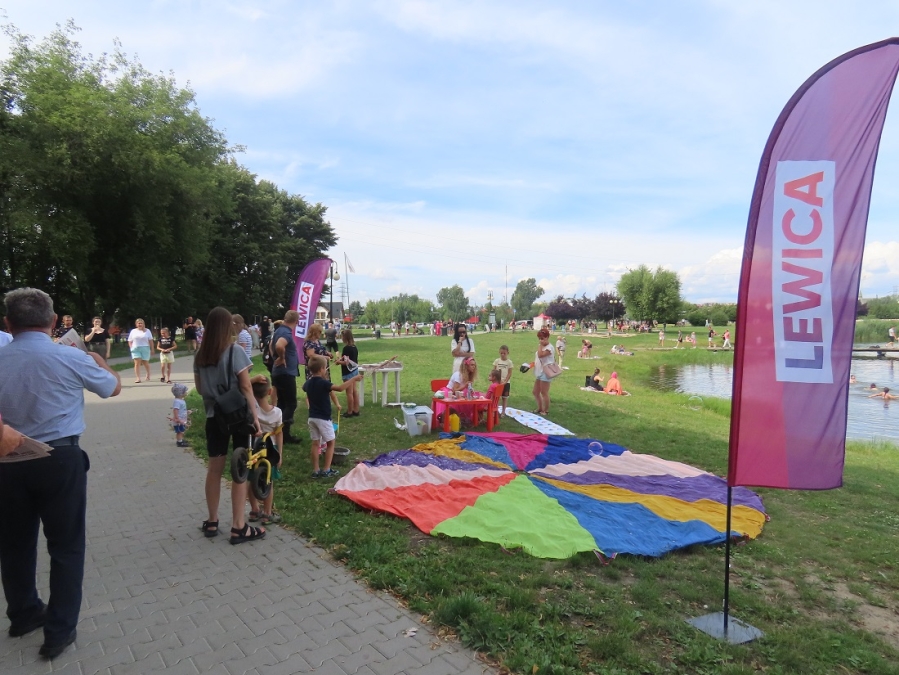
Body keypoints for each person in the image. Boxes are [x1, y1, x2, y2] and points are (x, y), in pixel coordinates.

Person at [0, 287, 121, 660]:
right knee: (66, 546)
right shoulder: (69, 356)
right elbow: (112, 388)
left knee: (14, 544)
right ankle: (59, 631)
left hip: (7, 462)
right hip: (59, 459)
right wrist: (99, 362)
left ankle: (23, 614)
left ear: (8, 323)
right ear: (53, 321)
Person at [193, 306, 265, 545]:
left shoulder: (200, 356)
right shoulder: (235, 351)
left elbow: (201, 389)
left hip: (214, 416)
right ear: (227, 326)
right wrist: (255, 416)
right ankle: (238, 526)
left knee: (215, 469)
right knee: (239, 469)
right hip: (238, 417)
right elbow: (245, 386)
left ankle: (212, 520)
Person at [303, 355, 362, 478]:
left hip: (312, 418)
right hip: (323, 419)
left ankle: (316, 471)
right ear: (321, 369)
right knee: (331, 443)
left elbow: (305, 388)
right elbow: (340, 388)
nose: (326, 370)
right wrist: (353, 379)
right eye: (325, 368)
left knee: (315, 443)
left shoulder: (307, 383)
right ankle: (326, 470)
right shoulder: (324, 383)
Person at [247, 375, 283, 525]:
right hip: (270, 449)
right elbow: (279, 433)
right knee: (268, 480)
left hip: (253, 447)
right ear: (269, 392)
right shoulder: (277, 412)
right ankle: (267, 513)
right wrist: (280, 454)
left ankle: (255, 510)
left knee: (251, 478)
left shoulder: (251, 410)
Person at [271, 310, 301, 444]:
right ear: (297, 321)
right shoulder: (286, 333)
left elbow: (271, 346)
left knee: (282, 403)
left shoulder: (279, 330)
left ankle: (280, 434)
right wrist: (282, 358)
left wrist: (276, 358)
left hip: (279, 372)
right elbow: (279, 345)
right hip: (285, 373)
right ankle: (282, 433)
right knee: (291, 403)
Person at [532, 328, 555, 416]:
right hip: (539, 371)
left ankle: (546, 410)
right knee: (535, 391)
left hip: (546, 372)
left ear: (547, 337)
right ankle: (540, 408)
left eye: (542, 338)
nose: (541, 340)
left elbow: (540, 355)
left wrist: (540, 345)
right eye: (539, 339)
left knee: (544, 392)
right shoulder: (542, 347)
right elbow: (538, 358)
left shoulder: (549, 348)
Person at [338, 329, 360, 417]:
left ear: (345, 337)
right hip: (355, 370)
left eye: (342, 336)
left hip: (348, 372)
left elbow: (346, 362)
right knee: (354, 391)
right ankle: (356, 410)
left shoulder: (346, 348)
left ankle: (350, 411)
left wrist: (338, 362)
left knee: (349, 392)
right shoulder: (354, 347)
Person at [127, 318, 155, 383]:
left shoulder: (147, 331)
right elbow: (130, 340)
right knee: (137, 363)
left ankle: (148, 373)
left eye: (141, 323)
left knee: (145, 362)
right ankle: (138, 378)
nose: (140, 324)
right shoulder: (133, 331)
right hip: (135, 348)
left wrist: (152, 349)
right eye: (138, 323)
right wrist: (131, 348)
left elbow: (150, 341)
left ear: (143, 324)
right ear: (136, 324)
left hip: (145, 348)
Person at [492, 345, 514, 416]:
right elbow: (494, 371)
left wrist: (505, 381)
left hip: (506, 383)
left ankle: (503, 412)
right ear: (499, 352)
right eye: (501, 353)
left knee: (504, 398)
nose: (503, 355)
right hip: (498, 383)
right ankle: (495, 410)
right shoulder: (497, 361)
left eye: (504, 353)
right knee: (496, 397)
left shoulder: (509, 362)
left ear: (508, 353)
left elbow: (509, 373)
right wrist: (494, 380)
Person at [171, 382, 190, 447]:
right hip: (179, 420)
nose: (186, 393)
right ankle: (179, 442)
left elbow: (182, 409)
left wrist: (186, 411)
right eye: (185, 392)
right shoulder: (177, 401)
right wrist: (177, 418)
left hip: (182, 419)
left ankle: (181, 439)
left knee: (182, 430)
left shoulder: (181, 400)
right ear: (181, 393)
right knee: (179, 431)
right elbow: (175, 410)